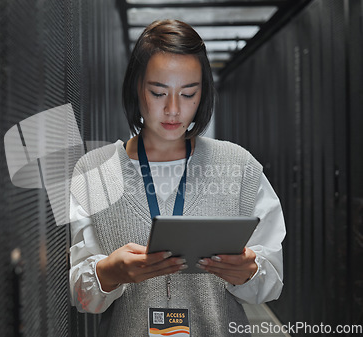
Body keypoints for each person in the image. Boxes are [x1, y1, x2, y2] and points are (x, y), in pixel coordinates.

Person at [69, 19, 285, 336]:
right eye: (158, 92)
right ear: (135, 88)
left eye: (188, 94)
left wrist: (249, 272)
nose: (173, 110)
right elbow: (80, 297)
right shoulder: (95, 172)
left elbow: (272, 282)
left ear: (203, 94)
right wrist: (109, 272)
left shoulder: (239, 167)